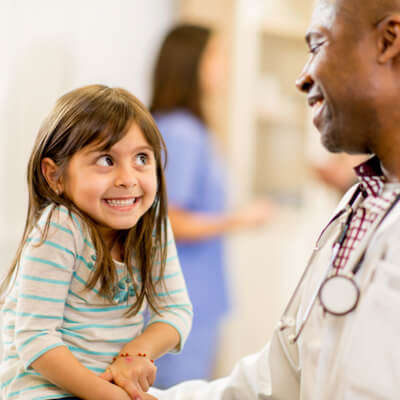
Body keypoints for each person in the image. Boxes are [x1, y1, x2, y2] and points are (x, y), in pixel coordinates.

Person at [148, 0, 400, 398]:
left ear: (390, 41)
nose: (302, 78)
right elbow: (275, 381)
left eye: (318, 44)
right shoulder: (362, 203)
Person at [0, 84, 193, 400]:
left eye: (141, 158)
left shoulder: (152, 224)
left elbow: (175, 311)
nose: (128, 179)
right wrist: (111, 396)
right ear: (55, 176)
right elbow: (36, 338)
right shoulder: (61, 228)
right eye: (106, 160)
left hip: (106, 386)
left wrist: (135, 354)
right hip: (42, 388)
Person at [149, 24, 273, 388]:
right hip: (182, 298)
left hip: (191, 297)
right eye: (215, 56)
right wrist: (242, 219)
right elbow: (171, 220)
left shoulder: (181, 128)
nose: (223, 66)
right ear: (192, 63)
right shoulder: (183, 132)